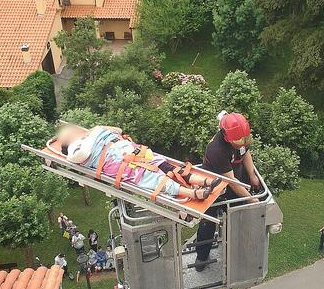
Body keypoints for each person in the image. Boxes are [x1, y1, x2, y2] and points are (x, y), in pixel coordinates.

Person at [57, 124, 220, 200]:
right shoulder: (75, 150)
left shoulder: (92, 133)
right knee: (151, 177)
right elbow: (80, 154)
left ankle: (202, 181)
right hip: (119, 163)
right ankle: (193, 193)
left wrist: (96, 129)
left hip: (131, 150)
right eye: (69, 132)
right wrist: (96, 130)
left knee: (162, 164)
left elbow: (119, 131)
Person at [194, 112, 260, 272]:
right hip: (213, 186)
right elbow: (231, 182)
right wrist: (252, 199)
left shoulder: (240, 137)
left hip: (233, 179)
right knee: (208, 223)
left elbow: (245, 154)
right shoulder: (216, 149)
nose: (241, 144)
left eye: (244, 140)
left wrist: (252, 175)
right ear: (226, 136)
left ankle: (236, 252)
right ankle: (202, 256)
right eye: (238, 141)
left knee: (237, 217)